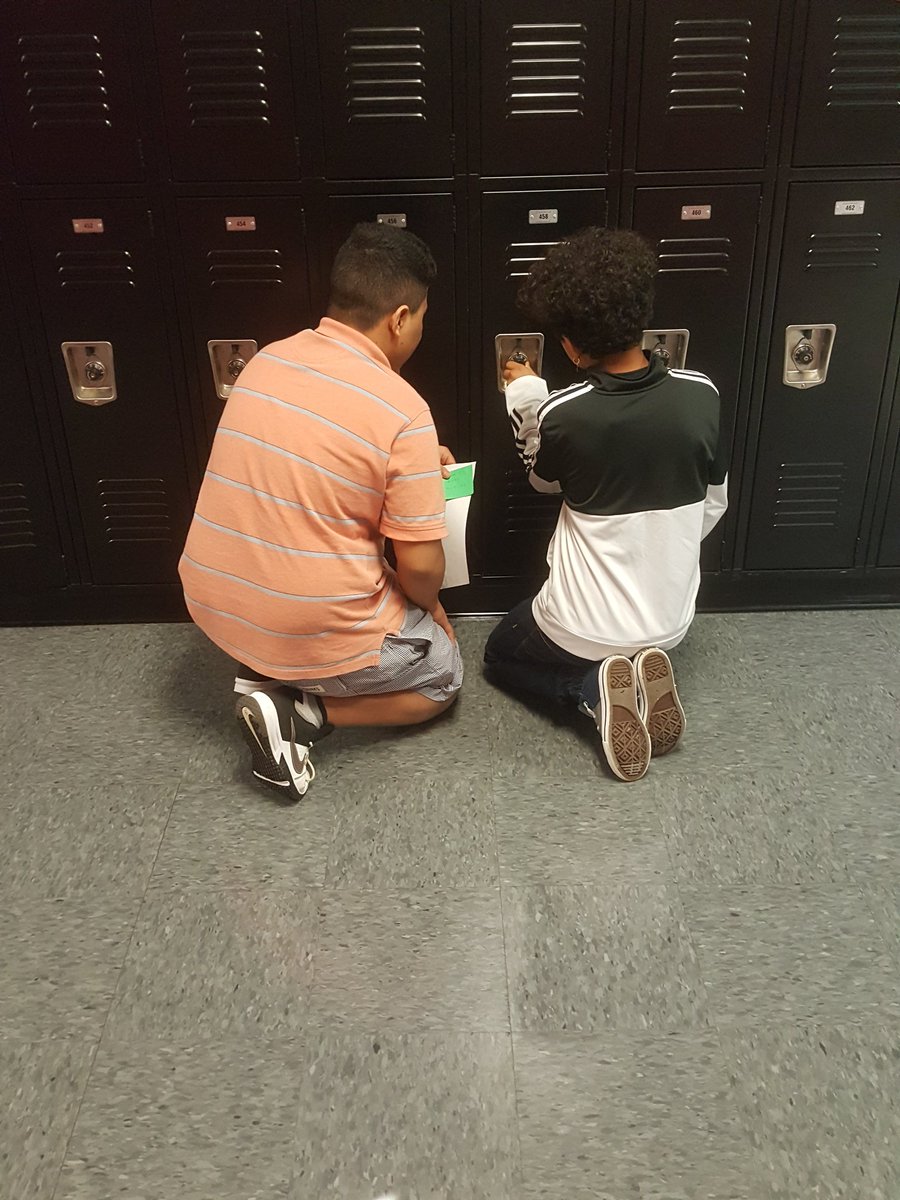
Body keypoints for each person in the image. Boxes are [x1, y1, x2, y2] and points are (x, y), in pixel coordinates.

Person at [179, 223, 462, 800]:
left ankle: (267, 668)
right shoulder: (403, 409)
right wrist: (432, 612)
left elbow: (312, 468)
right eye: (422, 317)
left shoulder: (267, 360)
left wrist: (408, 468)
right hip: (302, 622)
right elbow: (421, 569)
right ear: (399, 318)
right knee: (443, 675)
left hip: (214, 606)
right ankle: (303, 712)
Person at [484, 227, 727, 782]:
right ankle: (642, 666)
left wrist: (526, 396)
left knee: (499, 655)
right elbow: (714, 504)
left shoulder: (565, 413)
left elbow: (543, 482)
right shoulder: (702, 393)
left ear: (570, 346)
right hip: (672, 622)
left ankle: (589, 689)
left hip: (582, 626)